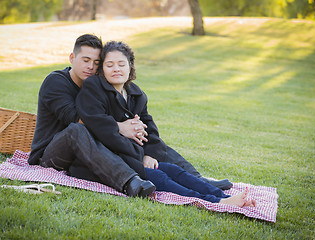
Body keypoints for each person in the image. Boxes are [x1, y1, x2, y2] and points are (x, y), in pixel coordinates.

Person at [28, 33, 232, 198]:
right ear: (72, 58)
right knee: (77, 130)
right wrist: (120, 126)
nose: (91, 67)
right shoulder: (56, 82)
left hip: (89, 149)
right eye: (85, 60)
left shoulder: (99, 87)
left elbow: (127, 124)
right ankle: (130, 181)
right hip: (53, 153)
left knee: (142, 134)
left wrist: (136, 133)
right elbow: (77, 119)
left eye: (96, 62)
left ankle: (198, 179)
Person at [76, 41, 255, 207]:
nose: (116, 69)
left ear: (130, 67)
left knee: (175, 171)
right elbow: (94, 119)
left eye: (121, 64)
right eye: (109, 65)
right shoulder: (94, 87)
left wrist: (150, 154)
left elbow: (150, 128)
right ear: (102, 70)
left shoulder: (136, 94)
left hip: (134, 156)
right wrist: (122, 128)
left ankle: (224, 198)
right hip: (107, 160)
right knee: (160, 177)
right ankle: (214, 202)